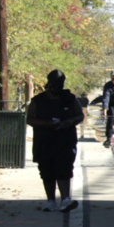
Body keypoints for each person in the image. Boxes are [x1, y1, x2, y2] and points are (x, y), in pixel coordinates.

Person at [26, 70, 82, 212]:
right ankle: (50, 201)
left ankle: (65, 200)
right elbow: (29, 119)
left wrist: (69, 122)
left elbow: (79, 115)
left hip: (65, 140)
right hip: (44, 141)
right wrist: (46, 123)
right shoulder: (38, 100)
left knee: (64, 169)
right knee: (46, 170)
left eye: (60, 85)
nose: (57, 88)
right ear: (48, 84)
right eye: (54, 85)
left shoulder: (69, 98)